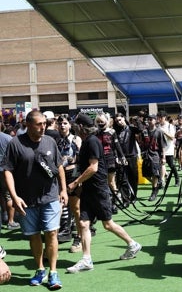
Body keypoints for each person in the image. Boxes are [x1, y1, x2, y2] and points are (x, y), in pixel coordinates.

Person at [66, 113, 142, 273]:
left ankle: (132, 244)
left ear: (80, 126)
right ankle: (86, 260)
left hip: (98, 190)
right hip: (88, 190)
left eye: (74, 125)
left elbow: (93, 167)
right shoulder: (88, 141)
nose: (73, 128)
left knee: (108, 224)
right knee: (83, 223)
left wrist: (75, 182)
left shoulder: (92, 141)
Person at [3, 110, 67, 290]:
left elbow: (59, 166)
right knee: (34, 236)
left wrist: (63, 190)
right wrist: (14, 196)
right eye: (39, 124)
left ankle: (53, 272)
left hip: (50, 197)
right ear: (28, 125)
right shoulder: (16, 143)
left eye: (44, 124)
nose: (43, 127)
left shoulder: (50, 141)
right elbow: (7, 170)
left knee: (52, 233)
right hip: (26, 200)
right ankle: (40, 269)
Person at [56, 114, 82, 251]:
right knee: (61, 206)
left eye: (65, 123)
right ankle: (61, 233)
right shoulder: (57, 141)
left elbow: (80, 158)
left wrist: (71, 160)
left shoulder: (76, 139)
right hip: (61, 175)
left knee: (76, 208)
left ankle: (79, 237)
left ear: (70, 125)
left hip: (74, 174)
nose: (62, 125)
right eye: (60, 123)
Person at [113, 112, 141, 201]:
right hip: (121, 158)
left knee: (133, 178)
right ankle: (125, 199)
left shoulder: (131, 129)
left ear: (124, 118)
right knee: (122, 179)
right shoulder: (115, 131)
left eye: (120, 120)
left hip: (132, 156)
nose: (119, 122)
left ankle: (134, 196)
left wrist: (137, 120)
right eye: (117, 121)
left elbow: (140, 129)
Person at [140, 114, 166, 201]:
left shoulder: (159, 131)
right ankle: (158, 183)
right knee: (146, 174)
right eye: (149, 119)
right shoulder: (144, 131)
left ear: (155, 120)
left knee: (155, 174)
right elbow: (141, 143)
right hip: (146, 155)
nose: (150, 121)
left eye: (151, 119)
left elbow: (163, 146)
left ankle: (154, 192)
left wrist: (163, 157)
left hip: (155, 156)